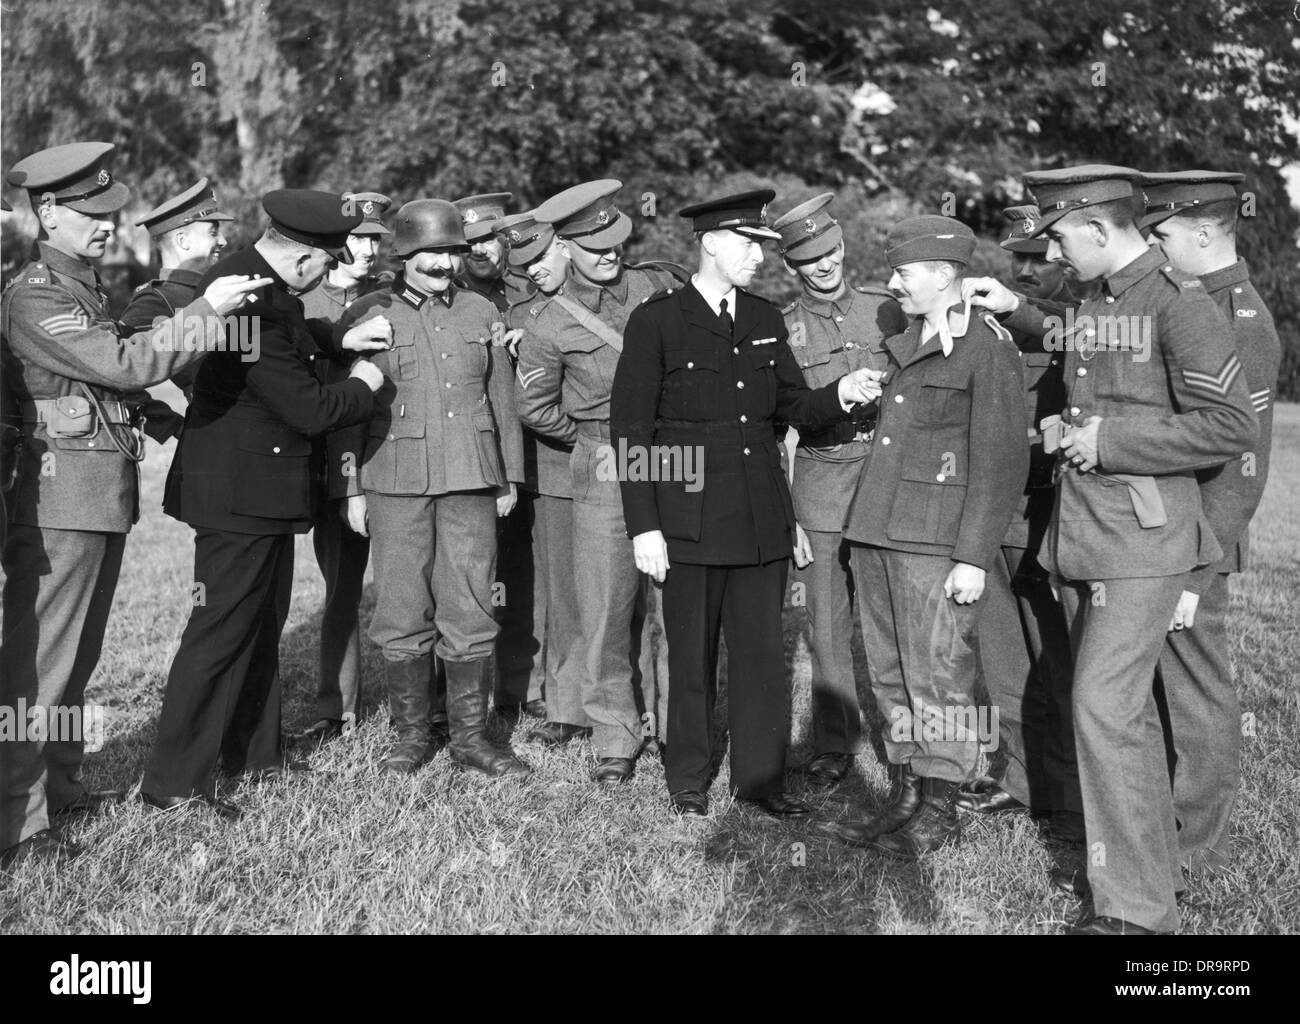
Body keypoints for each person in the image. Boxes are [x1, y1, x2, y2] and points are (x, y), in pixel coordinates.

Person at [965, 164, 1258, 934]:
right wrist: (1061, 420)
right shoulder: (1102, 298)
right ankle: (1144, 876)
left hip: (1146, 542)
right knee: (1119, 715)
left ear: (1098, 228)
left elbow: (1230, 427)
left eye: (1060, 235)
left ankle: (1136, 913)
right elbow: (1073, 345)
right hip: (1088, 539)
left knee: (1103, 706)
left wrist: (1111, 439)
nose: (1054, 250)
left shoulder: (1180, 305)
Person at [0, 142, 266, 864]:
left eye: (110, 211)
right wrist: (206, 309)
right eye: (90, 213)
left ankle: (60, 791)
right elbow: (119, 361)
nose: (108, 225)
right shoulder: (36, 294)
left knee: (74, 664)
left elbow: (109, 381)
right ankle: (18, 827)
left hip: (95, 497)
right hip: (58, 501)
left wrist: (161, 418)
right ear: (47, 212)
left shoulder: (80, 289)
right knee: (38, 672)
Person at [611, 189, 883, 818]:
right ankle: (687, 777)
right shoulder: (657, 321)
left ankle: (760, 781)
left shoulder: (762, 318)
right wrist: (644, 527)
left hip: (763, 519)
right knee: (692, 653)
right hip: (688, 522)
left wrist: (842, 391)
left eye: (762, 245)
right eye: (748, 244)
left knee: (762, 656)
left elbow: (792, 405)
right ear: (709, 242)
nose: (760, 256)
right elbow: (633, 432)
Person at [141, 189, 391, 820]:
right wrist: (363, 381)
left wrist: (338, 336)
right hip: (237, 493)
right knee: (220, 631)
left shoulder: (260, 283)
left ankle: (254, 753)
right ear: (303, 258)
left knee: (260, 621)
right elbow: (307, 406)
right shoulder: (245, 298)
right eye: (326, 262)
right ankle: (175, 781)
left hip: (261, 492)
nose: (328, 273)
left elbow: (297, 333)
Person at [818, 216, 1028, 857]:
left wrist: (972, 557)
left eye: (903, 273)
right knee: (888, 672)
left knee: (938, 675)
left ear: (943, 276)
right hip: (878, 530)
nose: (891, 283)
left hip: (936, 543)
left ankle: (941, 805)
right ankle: (906, 793)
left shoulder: (987, 349)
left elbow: (998, 462)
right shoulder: (907, 340)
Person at [338, 198, 529, 778]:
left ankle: (471, 738)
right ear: (405, 255)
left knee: (470, 601)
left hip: (471, 476)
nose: (444, 263)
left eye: (451, 251)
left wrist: (508, 477)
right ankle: (412, 735)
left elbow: (501, 402)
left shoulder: (480, 312)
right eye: (431, 253)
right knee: (400, 604)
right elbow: (348, 409)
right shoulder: (371, 311)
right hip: (392, 480)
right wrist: (351, 487)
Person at [513, 180, 679, 786]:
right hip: (605, 462)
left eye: (613, 240)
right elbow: (536, 408)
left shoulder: (660, 290)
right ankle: (614, 732)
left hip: (672, 458)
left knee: (671, 600)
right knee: (607, 604)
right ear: (563, 246)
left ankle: (671, 720)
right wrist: (590, 439)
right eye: (591, 243)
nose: (608, 253)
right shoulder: (547, 322)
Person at [1140, 170, 1281, 874]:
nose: (1155, 248)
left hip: (1201, 539)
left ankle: (1194, 850)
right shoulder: (1191, 302)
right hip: (1165, 531)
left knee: (1197, 690)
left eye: (1161, 234)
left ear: (1202, 233)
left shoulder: (1241, 319)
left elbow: (1241, 468)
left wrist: (1198, 568)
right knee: (1160, 683)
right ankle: (1164, 823)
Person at [770, 192, 906, 787]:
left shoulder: (888, 310)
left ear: (844, 245)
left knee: (895, 618)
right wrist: (786, 513)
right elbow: (773, 428)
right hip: (821, 485)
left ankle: (910, 743)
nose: (824, 266)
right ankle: (836, 740)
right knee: (825, 622)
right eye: (809, 260)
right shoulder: (778, 328)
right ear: (790, 267)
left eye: (831, 251)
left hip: (887, 480)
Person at [956, 204, 1083, 837]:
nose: (1028, 271)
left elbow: (1073, 331)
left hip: (1050, 511)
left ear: (1065, 258)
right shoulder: (990, 322)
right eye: (1019, 259)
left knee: (1056, 653)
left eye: (1040, 257)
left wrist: (1018, 310)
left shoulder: (1086, 321)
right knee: (1003, 648)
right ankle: (1020, 778)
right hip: (994, 505)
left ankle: (1070, 793)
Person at [294, 190, 394, 749]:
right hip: (335, 467)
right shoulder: (306, 306)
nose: (368, 248)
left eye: (377, 239)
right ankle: (337, 710)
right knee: (341, 592)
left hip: (403, 460)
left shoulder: (398, 298)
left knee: (418, 586)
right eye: (358, 238)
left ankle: (430, 705)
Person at [453, 192, 541, 717]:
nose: (478, 250)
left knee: (530, 573)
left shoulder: (533, 287)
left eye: (487, 238)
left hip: (537, 448)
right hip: (476, 450)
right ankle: (469, 695)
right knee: (471, 575)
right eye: (467, 243)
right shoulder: (453, 295)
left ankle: (526, 685)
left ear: (504, 237)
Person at [500, 211, 585, 738]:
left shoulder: (633, 293)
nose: (532, 270)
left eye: (540, 257)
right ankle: (567, 706)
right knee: (563, 593)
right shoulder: (525, 313)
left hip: (640, 466)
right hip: (558, 469)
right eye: (523, 263)